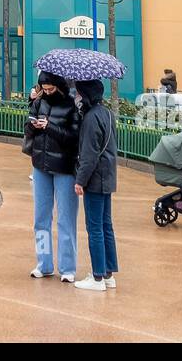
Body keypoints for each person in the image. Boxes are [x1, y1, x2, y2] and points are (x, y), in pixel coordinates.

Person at [24, 71, 80, 283]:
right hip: (40, 165)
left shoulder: (71, 105)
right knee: (40, 218)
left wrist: (51, 128)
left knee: (66, 219)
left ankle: (68, 267)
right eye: (43, 89)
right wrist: (33, 125)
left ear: (59, 85)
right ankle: (43, 264)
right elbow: (27, 129)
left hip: (64, 167)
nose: (46, 92)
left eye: (50, 89)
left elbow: (74, 138)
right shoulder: (39, 103)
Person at [72, 78, 118, 291]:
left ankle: (97, 276)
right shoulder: (107, 114)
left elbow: (89, 155)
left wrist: (80, 180)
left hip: (95, 179)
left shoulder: (91, 118)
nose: (77, 96)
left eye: (79, 93)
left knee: (95, 228)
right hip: (107, 176)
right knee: (106, 225)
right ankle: (108, 273)